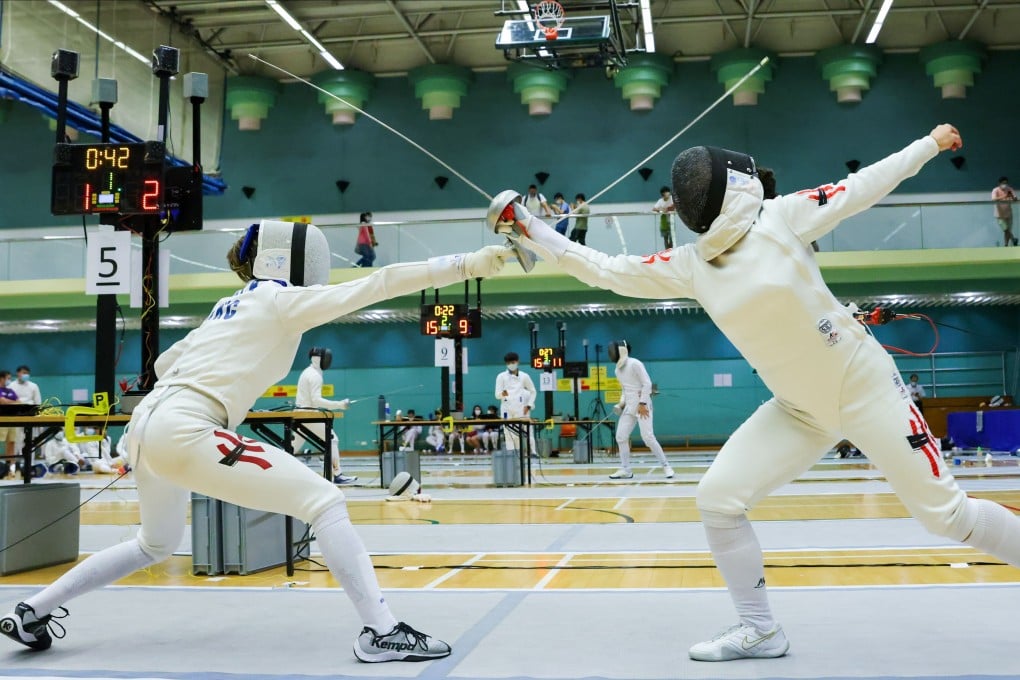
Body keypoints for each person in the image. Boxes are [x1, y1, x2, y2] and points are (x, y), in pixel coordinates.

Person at [489, 124, 1020, 662]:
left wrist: (928, 145)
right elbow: (603, 269)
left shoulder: (782, 216)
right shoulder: (692, 265)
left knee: (946, 517)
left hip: (866, 387)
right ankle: (761, 629)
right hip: (799, 411)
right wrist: (529, 226)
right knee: (717, 498)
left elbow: (862, 187)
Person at [1, 219, 511, 662]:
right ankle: (382, 632)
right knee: (325, 501)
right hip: (186, 428)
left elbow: (162, 365)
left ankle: (31, 611)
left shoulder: (230, 304)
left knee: (155, 543)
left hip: (148, 427)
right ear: (289, 258)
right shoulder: (280, 300)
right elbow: (379, 282)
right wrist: (468, 263)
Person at [607, 340, 674, 480]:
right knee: (620, 436)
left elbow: (647, 383)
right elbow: (625, 390)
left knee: (648, 437)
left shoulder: (635, 363)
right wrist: (620, 404)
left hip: (642, 406)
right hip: (630, 407)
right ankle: (626, 470)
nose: (610, 354)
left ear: (621, 350)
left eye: (613, 351)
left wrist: (643, 403)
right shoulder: (617, 370)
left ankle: (666, 466)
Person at [293, 346, 357, 485]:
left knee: (291, 448)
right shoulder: (314, 376)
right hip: (307, 414)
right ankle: (337, 474)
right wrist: (340, 404)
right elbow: (316, 400)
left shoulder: (308, 372)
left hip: (301, 414)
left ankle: (271, 470)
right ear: (320, 359)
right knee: (332, 439)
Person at [494, 352, 537, 457]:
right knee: (507, 432)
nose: (511, 364)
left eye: (513, 362)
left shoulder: (524, 376)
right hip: (506, 408)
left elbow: (533, 391)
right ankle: (510, 454)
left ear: (517, 362)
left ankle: (521, 452)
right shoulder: (501, 376)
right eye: (508, 363)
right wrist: (502, 394)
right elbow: (497, 395)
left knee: (519, 433)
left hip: (520, 408)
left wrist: (529, 405)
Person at [0, 371, 21, 468]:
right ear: (2, 378)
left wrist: (9, 402)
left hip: (12, 419)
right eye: (8, 378)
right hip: (1, 419)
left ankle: (9, 466)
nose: (9, 380)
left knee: (11, 442)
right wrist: (13, 402)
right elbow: (2, 401)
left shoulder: (10, 391)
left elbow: (19, 402)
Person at [991, 176, 1017, 247]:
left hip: (1008, 214)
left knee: (1007, 231)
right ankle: (1013, 239)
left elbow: (1014, 198)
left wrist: (1014, 198)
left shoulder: (1009, 189)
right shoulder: (995, 190)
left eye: (1006, 183)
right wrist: (1004, 196)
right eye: (1003, 183)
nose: (1004, 185)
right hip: (999, 215)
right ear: (999, 183)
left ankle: (1006, 245)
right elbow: (993, 199)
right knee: (1005, 229)